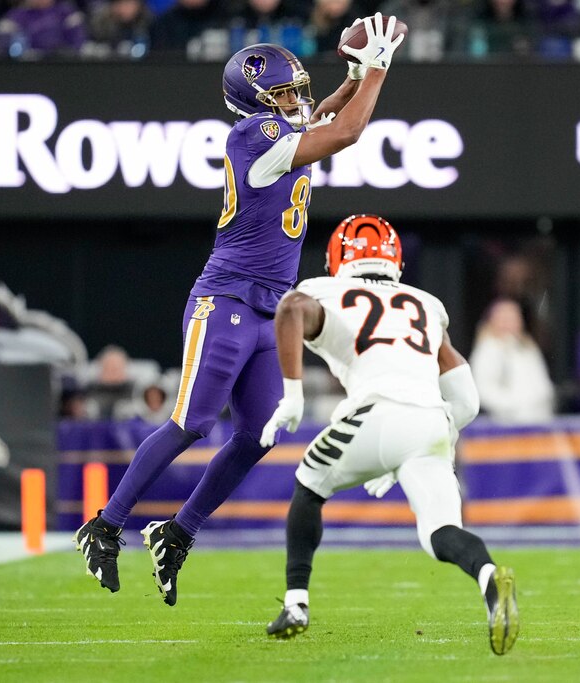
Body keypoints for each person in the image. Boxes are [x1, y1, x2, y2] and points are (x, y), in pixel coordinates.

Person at [73, 15, 407, 604]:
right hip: (225, 297)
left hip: (270, 306)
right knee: (193, 421)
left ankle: (178, 532)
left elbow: (325, 117)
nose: (297, 101)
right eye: (284, 93)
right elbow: (344, 133)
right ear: (255, 100)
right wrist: (376, 70)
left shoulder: (280, 129)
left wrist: (355, 77)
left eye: (296, 91)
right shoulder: (253, 134)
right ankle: (104, 524)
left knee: (258, 434)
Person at [258, 215, 519, 655]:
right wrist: (419, 443)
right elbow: (468, 402)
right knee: (440, 532)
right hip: (432, 421)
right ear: (395, 259)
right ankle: (491, 579)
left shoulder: (325, 290)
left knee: (309, 484)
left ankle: (296, 604)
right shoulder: (425, 303)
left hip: (376, 411)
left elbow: (288, 310)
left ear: (338, 259)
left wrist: (293, 395)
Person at [469, 298, 555, 424]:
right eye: (504, 318)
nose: (509, 323)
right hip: (505, 426)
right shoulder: (488, 349)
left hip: (538, 421)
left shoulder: (528, 348)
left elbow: (542, 384)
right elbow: (483, 390)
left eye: (514, 318)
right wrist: (515, 405)